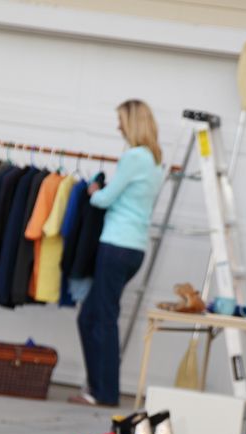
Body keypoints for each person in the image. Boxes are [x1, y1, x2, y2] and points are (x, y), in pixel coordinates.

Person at [71, 99, 163, 407]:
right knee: (92, 317)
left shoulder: (134, 157)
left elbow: (106, 199)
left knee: (102, 318)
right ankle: (97, 390)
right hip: (134, 249)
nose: (118, 126)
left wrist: (93, 192)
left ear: (133, 122)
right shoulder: (154, 160)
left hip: (116, 246)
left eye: (121, 120)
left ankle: (104, 393)